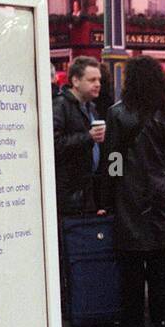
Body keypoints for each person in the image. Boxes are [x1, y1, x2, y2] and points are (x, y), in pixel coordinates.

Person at [99, 55, 165, 327]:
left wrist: (110, 192)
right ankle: (160, 317)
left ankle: (133, 320)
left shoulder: (118, 113)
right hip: (160, 191)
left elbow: (114, 157)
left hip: (129, 192)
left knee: (131, 262)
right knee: (160, 259)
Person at [51, 56, 106, 218]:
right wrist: (88, 137)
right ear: (75, 81)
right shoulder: (60, 106)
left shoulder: (91, 108)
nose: (98, 84)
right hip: (69, 195)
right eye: (92, 80)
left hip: (87, 192)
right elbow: (53, 145)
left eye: (99, 80)